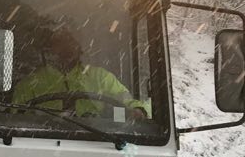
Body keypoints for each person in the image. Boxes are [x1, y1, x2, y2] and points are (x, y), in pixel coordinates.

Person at [11, 28, 148, 118]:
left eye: (70, 44)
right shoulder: (30, 83)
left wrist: (138, 110)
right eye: (59, 44)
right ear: (48, 50)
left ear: (78, 50)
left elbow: (125, 99)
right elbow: (13, 119)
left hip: (96, 139)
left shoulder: (99, 77)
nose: (66, 50)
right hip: (42, 142)